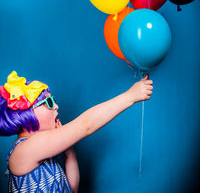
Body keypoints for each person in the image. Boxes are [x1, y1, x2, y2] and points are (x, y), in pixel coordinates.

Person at [0, 70, 153, 193]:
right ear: (26, 114)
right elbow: (85, 125)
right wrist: (130, 96)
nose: (56, 106)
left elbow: (71, 189)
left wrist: (69, 152)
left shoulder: (43, 153)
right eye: (49, 102)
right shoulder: (24, 150)